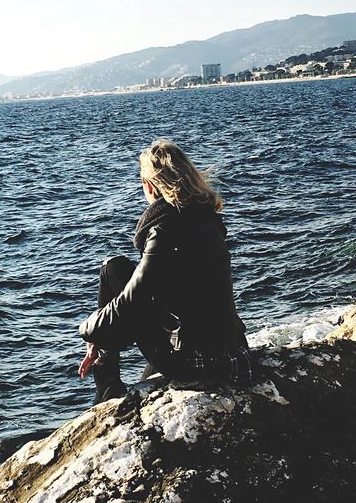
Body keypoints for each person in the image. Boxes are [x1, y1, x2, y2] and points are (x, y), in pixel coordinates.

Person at [78, 138, 252, 402]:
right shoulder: (207, 217)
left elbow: (131, 300)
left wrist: (88, 329)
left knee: (111, 269)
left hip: (201, 362)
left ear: (149, 186)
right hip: (235, 354)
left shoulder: (165, 228)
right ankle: (108, 370)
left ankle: (107, 386)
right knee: (119, 269)